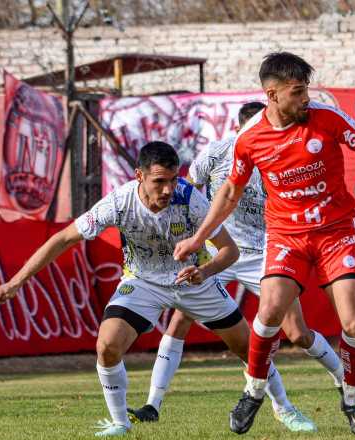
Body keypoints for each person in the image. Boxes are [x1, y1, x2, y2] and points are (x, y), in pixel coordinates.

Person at [0, 142, 299, 437]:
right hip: (143, 282)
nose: (167, 190)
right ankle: (120, 422)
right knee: (107, 346)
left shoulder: (190, 199)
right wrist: (16, 281)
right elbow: (63, 238)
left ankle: (284, 408)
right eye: (159, 181)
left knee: (249, 350)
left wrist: (203, 271)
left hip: (193, 282)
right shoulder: (119, 202)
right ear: (139, 176)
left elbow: (229, 252)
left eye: (173, 179)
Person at [173, 52, 355, 435]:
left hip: (335, 232)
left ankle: (353, 398)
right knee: (269, 314)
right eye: (297, 92)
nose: (305, 99)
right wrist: (198, 237)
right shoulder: (249, 139)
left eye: (306, 90)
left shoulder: (325, 118)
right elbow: (229, 191)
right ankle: (253, 392)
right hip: (285, 236)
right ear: (272, 94)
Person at [128, 102, 339, 433]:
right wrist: (186, 235)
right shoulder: (217, 153)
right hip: (220, 251)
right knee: (181, 317)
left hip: (265, 251)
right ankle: (153, 404)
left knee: (296, 332)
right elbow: (185, 189)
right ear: (241, 130)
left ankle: (345, 383)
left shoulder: (281, 154)